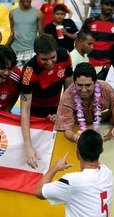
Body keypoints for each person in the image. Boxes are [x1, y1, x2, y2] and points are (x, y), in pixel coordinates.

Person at [20, 34, 73, 169]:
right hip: (35, 116)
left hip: (56, 110)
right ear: (37, 54)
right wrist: (28, 146)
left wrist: (62, 112)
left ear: (56, 51)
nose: (49, 63)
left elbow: (69, 88)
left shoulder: (65, 56)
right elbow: (24, 112)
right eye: (44, 59)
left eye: (52, 58)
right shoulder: (29, 71)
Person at [35, 129, 114, 217]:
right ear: (101, 150)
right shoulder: (107, 173)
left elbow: (39, 192)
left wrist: (55, 168)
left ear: (77, 153)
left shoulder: (72, 182)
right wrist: (84, 140)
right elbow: (95, 158)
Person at [55, 62, 114, 143]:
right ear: (74, 82)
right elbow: (66, 128)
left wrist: (113, 125)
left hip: (106, 137)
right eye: (79, 85)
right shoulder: (68, 96)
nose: (83, 90)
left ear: (95, 82)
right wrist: (75, 137)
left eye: (87, 85)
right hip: (78, 140)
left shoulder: (106, 89)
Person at [81, 0, 114, 67]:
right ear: (101, 5)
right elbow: (80, 38)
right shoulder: (90, 21)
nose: (109, 7)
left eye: (111, 6)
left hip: (107, 65)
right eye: (107, 5)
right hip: (90, 63)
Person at [7, 0, 44, 69]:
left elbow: (41, 35)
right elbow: (12, 33)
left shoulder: (38, 13)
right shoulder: (12, 13)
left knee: (28, 79)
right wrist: (5, 47)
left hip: (31, 51)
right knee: (16, 80)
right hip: (15, 51)